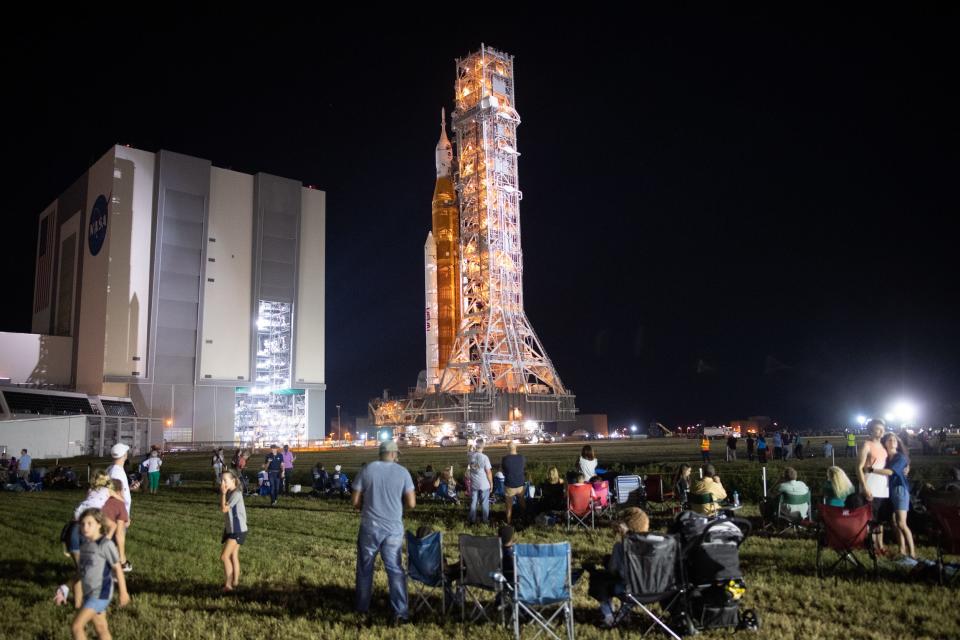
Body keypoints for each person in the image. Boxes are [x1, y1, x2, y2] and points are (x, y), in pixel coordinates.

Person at [352, 439, 415, 624]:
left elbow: (355, 501)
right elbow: (411, 503)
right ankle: (400, 612)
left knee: (365, 568)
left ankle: (362, 607)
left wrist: (365, 507)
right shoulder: (403, 472)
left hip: (369, 527)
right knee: (395, 569)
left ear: (380, 453)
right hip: (393, 529)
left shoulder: (368, 470)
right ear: (394, 454)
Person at [56, 508, 130, 640]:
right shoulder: (85, 546)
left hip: (100, 594)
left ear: (99, 524)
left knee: (76, 627)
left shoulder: (105, 545)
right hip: (90, 592)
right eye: (83, 524)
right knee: (101, 628)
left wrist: (123, 592)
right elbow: (81, 571)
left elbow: (118, 569)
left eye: (90, 523)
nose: (85, 527)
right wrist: (66, 587)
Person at [597, 507, 650, 628]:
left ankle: (609, 616)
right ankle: (624, 613)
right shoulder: (652, 546)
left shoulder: (620, 547)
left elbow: (613, 570)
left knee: (603, 581)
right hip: (652, 589)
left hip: (628, 590)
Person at [869, 433, 916, 564]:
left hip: (899, 490)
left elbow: (890, 472)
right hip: (889, 491)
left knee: (902, 523)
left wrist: (871, 470)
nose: (893, 441)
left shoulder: (899, 457)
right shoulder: (887, 458)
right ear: (885, 443)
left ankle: (912, 553)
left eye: (895, 439)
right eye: (889, 440)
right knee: (895, 523)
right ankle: (902, 550)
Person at [858, 419, 889, 554]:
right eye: (877, 429)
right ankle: (871, 545)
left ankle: (880, 546)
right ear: (871, 430)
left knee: (880, 519)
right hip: (870, 485)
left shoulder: (883, 446)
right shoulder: (867, 445)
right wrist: (864, 487)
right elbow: (859, 467)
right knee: (871, 518)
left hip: (883, 487)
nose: (881, 431)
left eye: (882, 429)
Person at [219, 470, 247, 591]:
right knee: (233, 556)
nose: (222, 483)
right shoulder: (232, 493)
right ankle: (235, 582)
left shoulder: (236, 494)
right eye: (221, 480)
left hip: (237, 531)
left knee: (224, 557)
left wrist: (223, 494)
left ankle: (228, 585)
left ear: (233, 481)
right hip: (235, 530)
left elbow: (224, 509)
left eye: (225, 480)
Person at [106, 444, 132, 573]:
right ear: (124, 456)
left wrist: (130, 489)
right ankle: (117, 567)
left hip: (115, 510)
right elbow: (114, 493)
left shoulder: (112, 468)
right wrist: (125, 515)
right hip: (117, 512)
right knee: (117, 539)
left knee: (115, 540)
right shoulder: (116, 472)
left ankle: (116, 567)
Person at [102, 480, 131, 572]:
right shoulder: (119, 504)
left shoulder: (100, 500)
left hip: (86, 534)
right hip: (105, 538)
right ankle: (120, 562)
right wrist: (123, 560)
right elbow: (119, 534)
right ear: (120, 491)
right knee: (121, 529)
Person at [467, 439, 493, 524]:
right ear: (483, 446)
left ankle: (472, 519)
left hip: (474, 483)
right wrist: (491, 483)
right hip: (484, 483)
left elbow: (469, 451)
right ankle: (485, 520)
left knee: (473, 501)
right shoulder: (485, 457)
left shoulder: (470, 456)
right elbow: (488, 472)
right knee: (485, 502)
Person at [501, 441, 527, 525]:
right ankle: (524, 516)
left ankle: (509, 521)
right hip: (520, 484)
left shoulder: (505, 459)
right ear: (516, 447)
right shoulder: (522, 458)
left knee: (509, 504)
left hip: (510, 485)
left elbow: (503, 471)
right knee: (522, 501)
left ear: (508, 448)